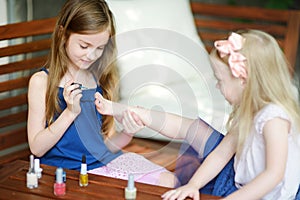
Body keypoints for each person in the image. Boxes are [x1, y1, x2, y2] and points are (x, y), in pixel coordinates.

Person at [95, 30, 300, 199]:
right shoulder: (248, 111)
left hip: (265, 194)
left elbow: (273, 175)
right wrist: (193, 185)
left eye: (220, 80)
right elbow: (221, 152)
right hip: (238, 178)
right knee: (197, 138)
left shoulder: (273, 118)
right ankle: (132, 111)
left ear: (243, 82)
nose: (217, 87)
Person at [27, 0, 178, 187]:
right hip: (70, 173)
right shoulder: (42, 82)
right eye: (84, 46)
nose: (91, 55)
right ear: (62, 34)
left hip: (106, 163)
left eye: (99, 48)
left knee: (172, 183)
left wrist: (127, 134)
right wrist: (70, 112)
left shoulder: (98, 79)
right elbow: (37, 148)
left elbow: (104, 146)